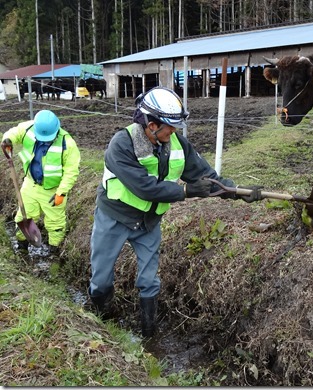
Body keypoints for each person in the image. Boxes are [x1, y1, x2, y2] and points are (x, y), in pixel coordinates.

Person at [88, 86, 261, 337]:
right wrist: (186, 192)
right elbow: (144, 188)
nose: (174, 131)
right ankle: (102, 325)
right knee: (101, 280)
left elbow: (207, 176)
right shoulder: (122, 144)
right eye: (169, 126)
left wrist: (238, 193)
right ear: (150, 124)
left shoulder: (178, 144)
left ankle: (150, 335)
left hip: (149, 222)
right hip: (115, 217)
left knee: (149, 281)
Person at [1, 110, 81, 254]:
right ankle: (22, 248)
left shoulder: (67, 143)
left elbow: (71, 172)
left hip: (53, 190)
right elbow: (15, 132)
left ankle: (54, 252)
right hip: (31, 184)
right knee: (23, 217)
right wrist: (8, 140)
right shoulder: (29, 128)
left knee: (55, 223)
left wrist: (61, 193)